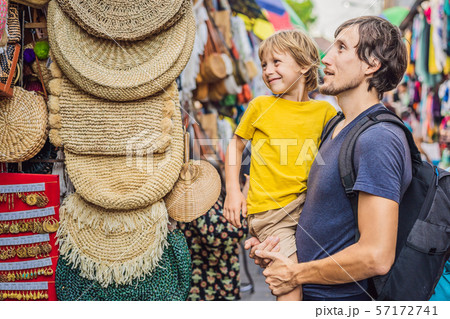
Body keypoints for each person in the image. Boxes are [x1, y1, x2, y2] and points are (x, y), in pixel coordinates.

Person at [248, 16, 412, 301]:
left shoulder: (378, 139)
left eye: (341, 48)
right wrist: (275, 248)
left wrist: (296, 273)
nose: (325, 58)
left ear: (371, 65)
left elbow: (376, 256)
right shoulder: (334, 126)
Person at [223, 29, 336, 301]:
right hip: (272, 214)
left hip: (309, 208)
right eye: (264, 64)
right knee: (289, 284)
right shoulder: (260, 106)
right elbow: (235, 146)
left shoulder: (326, 112)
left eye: (276, 62)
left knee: (317, 278)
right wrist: (233, 191)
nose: (268, 70)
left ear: (304, 65)